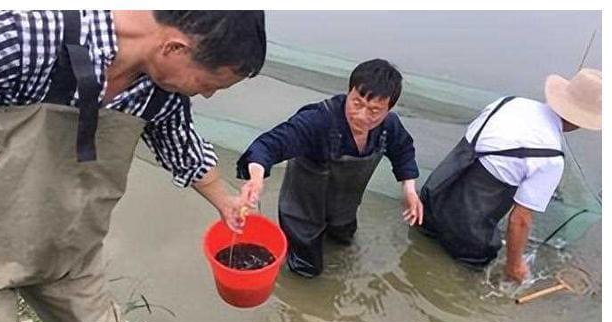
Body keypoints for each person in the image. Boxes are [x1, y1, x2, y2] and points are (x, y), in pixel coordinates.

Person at [0, 10, 266, 322]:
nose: (206, 96)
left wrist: (226, 202)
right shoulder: (23, 38)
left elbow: (180, 145)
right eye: (209, 84)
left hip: (68, 246)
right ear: (175, 48)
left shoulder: (160, 89)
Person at [237, 59, 422, 278]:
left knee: (343, 244)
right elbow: (270, 145)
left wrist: (409, 191)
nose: (362, 116)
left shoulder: (389, 127)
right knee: (307, 269)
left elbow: (403, 151)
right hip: (302, 210)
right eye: (357, 103)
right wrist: (256, 177)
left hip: (344, 207)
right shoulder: (318, 121)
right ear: (349, 92)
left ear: (388, 109)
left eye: (374, 111)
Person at [418, 68, 602, 283]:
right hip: (466, 235)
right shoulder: (551, 157)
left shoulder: (508, 102)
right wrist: (514, 266)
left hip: (430, 201)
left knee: (422, 253)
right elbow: (520, 220)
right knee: (464, 282)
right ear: (584, 121)